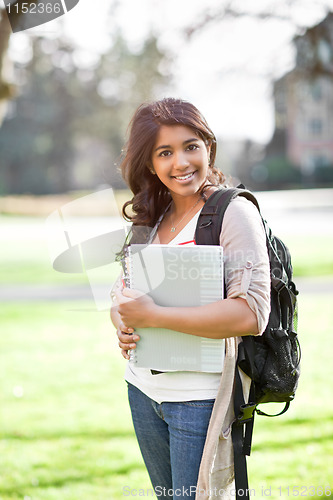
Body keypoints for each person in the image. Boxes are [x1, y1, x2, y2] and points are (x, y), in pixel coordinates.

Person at [110, 98, 270, 500]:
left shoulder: (232, 212)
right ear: (149, 163)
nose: (181, 162)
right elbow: (124, 289)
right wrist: (121, 318)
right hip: (143, 391)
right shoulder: (153, 215)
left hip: (198, 399)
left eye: (190, 146)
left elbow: (252, 314)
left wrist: (156, 315)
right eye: (165, 152)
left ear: (208, 148)